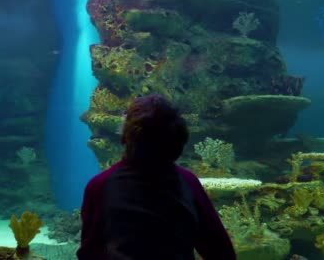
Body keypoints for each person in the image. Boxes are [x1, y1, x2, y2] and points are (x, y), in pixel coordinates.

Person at [77, 94, 236, 260]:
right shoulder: (187, 182)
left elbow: (90, 252)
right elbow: (220, 251)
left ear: (126, 135)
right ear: (178, 140)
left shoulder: (100, 186)